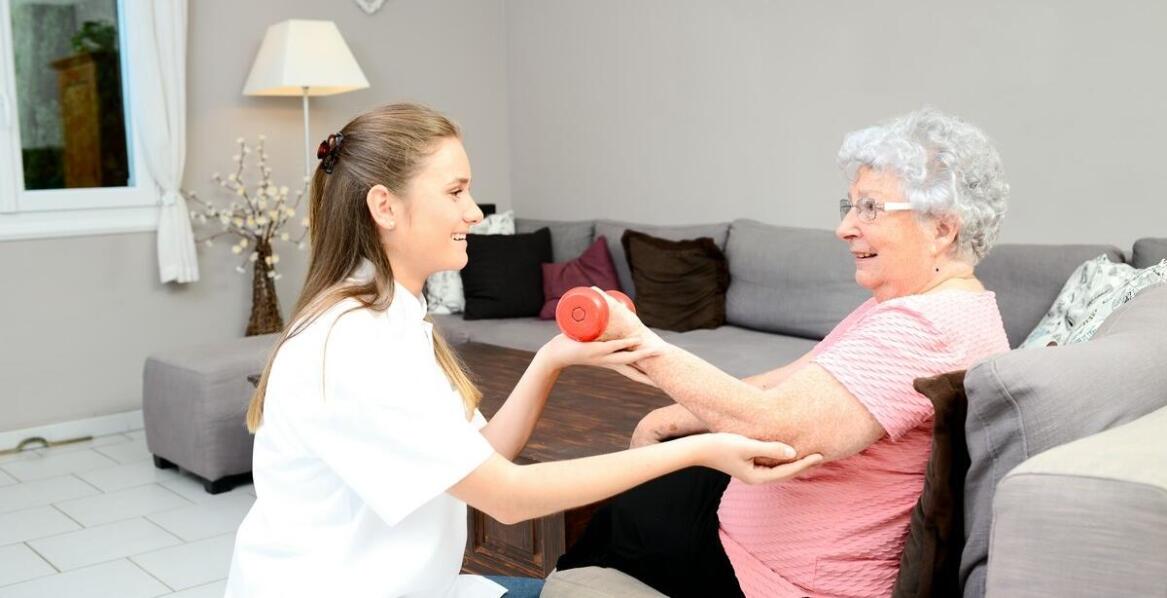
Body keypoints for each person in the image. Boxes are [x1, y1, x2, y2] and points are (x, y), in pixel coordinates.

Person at [223, 103, 820, 598]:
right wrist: (698, 450)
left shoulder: (394, 318)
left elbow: (481, 456)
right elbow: (505, 497)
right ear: (384, 207)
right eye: (455, 191)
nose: (472, 213)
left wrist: (551, 358)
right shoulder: (354, 342)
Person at [556, 107, 1013, 597]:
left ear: (942, 229)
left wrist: (645, 346)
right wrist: (669, 415)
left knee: (609, 528)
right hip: (751, 537)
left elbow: (775, 426)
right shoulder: (917, 305)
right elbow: (785, 379)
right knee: (632, 504)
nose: (845, 228)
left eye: (871, 209)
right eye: (850, 206)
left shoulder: (925, 327)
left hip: (777, 578)